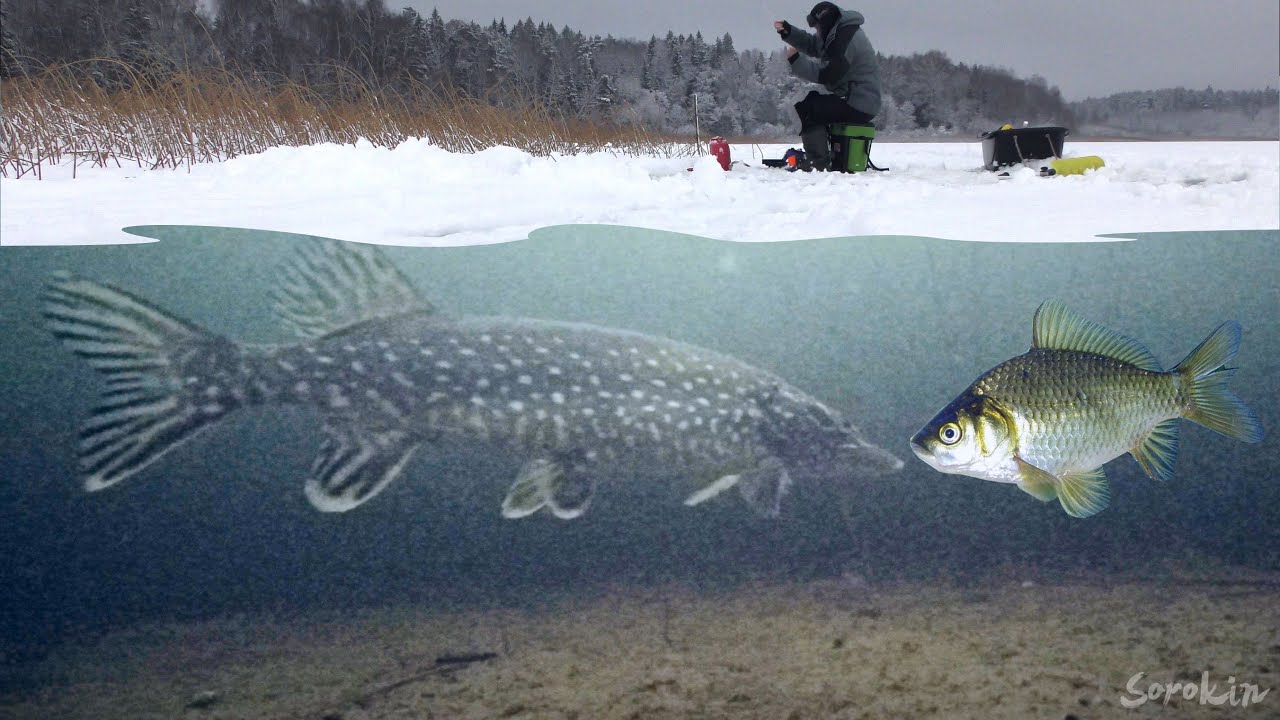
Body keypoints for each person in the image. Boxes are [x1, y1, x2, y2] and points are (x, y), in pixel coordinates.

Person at [773, 2, 882, 171]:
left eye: (817, 27)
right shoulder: (837, 32)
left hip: (859, 103)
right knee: (811, 101)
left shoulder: (846, 40)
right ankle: (823, 157)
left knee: (809, 108)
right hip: (855, 99)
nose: (816, 31)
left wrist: (796, 61)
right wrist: (789, 32)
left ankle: (818, 163)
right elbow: (813, 45)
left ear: (826, 23)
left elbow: (828, 75)